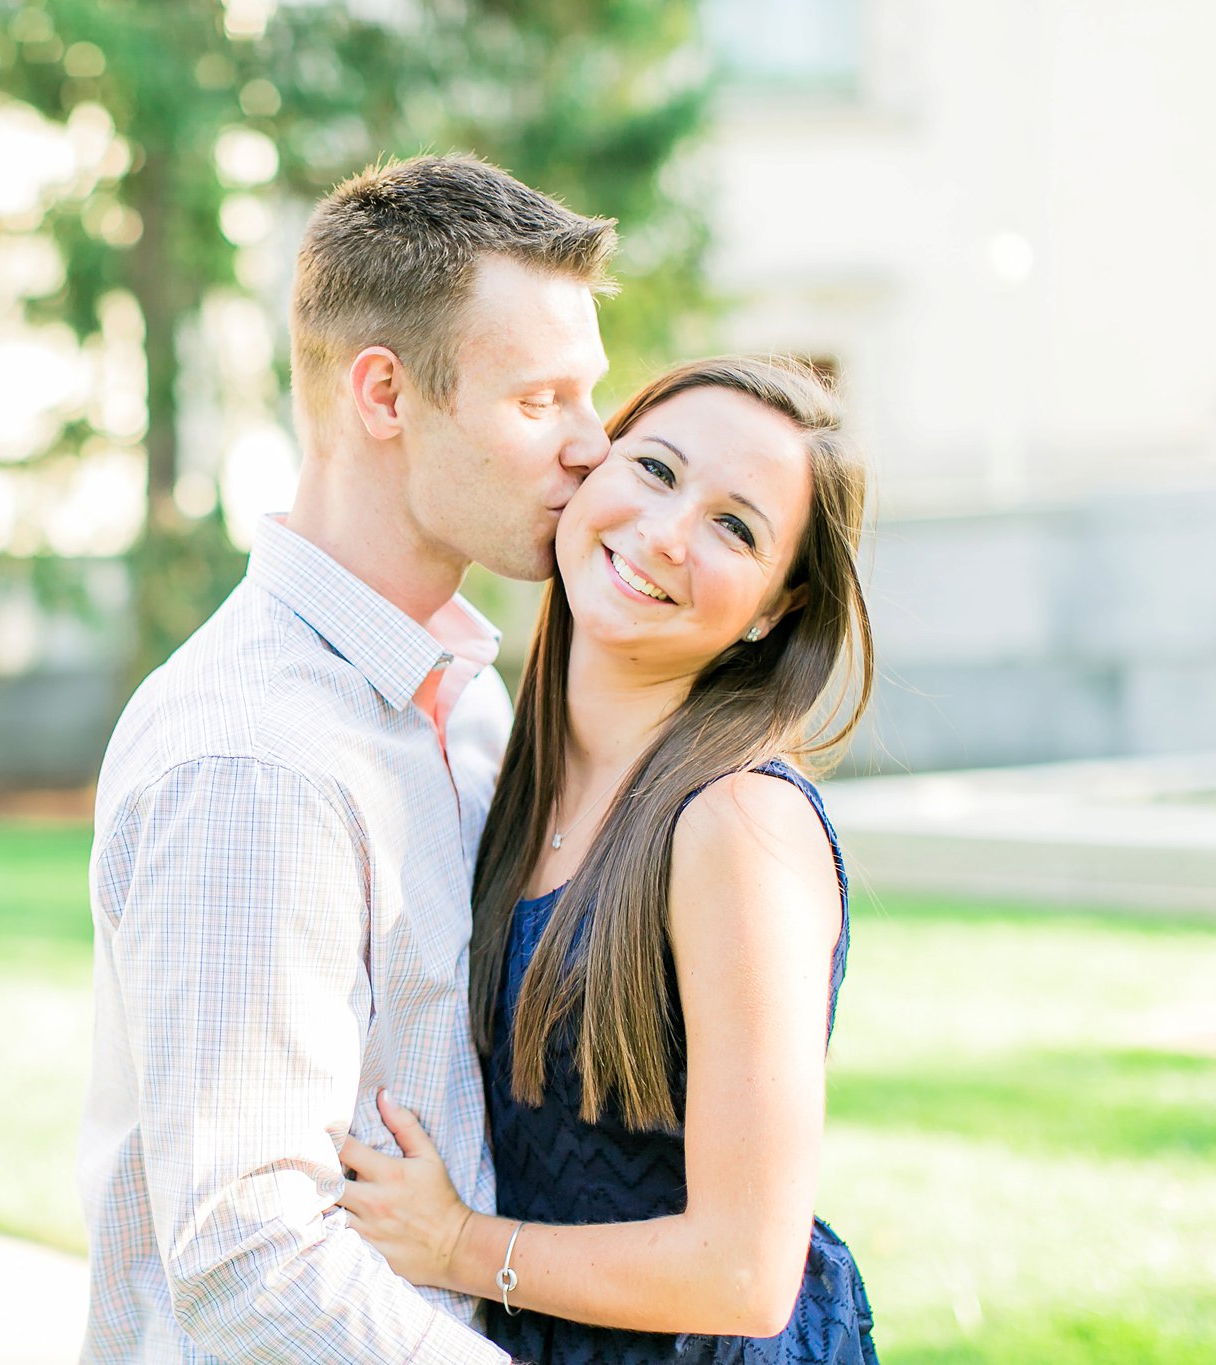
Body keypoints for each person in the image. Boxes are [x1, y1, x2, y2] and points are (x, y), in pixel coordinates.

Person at [78, 154, 616, 1362]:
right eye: (541, 403)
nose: (592, 447)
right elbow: (247, 1259)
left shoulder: (465, 709)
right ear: (384, 395)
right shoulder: (251, 758)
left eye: (591, 397)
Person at [336, 355, 881, 1364]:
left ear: (772, 608)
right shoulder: (507, 771)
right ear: (590, 472)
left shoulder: (735, 824)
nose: (666, 534)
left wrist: (461, 1246)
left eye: (734, 527)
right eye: (657, 471)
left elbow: (745, 1273)